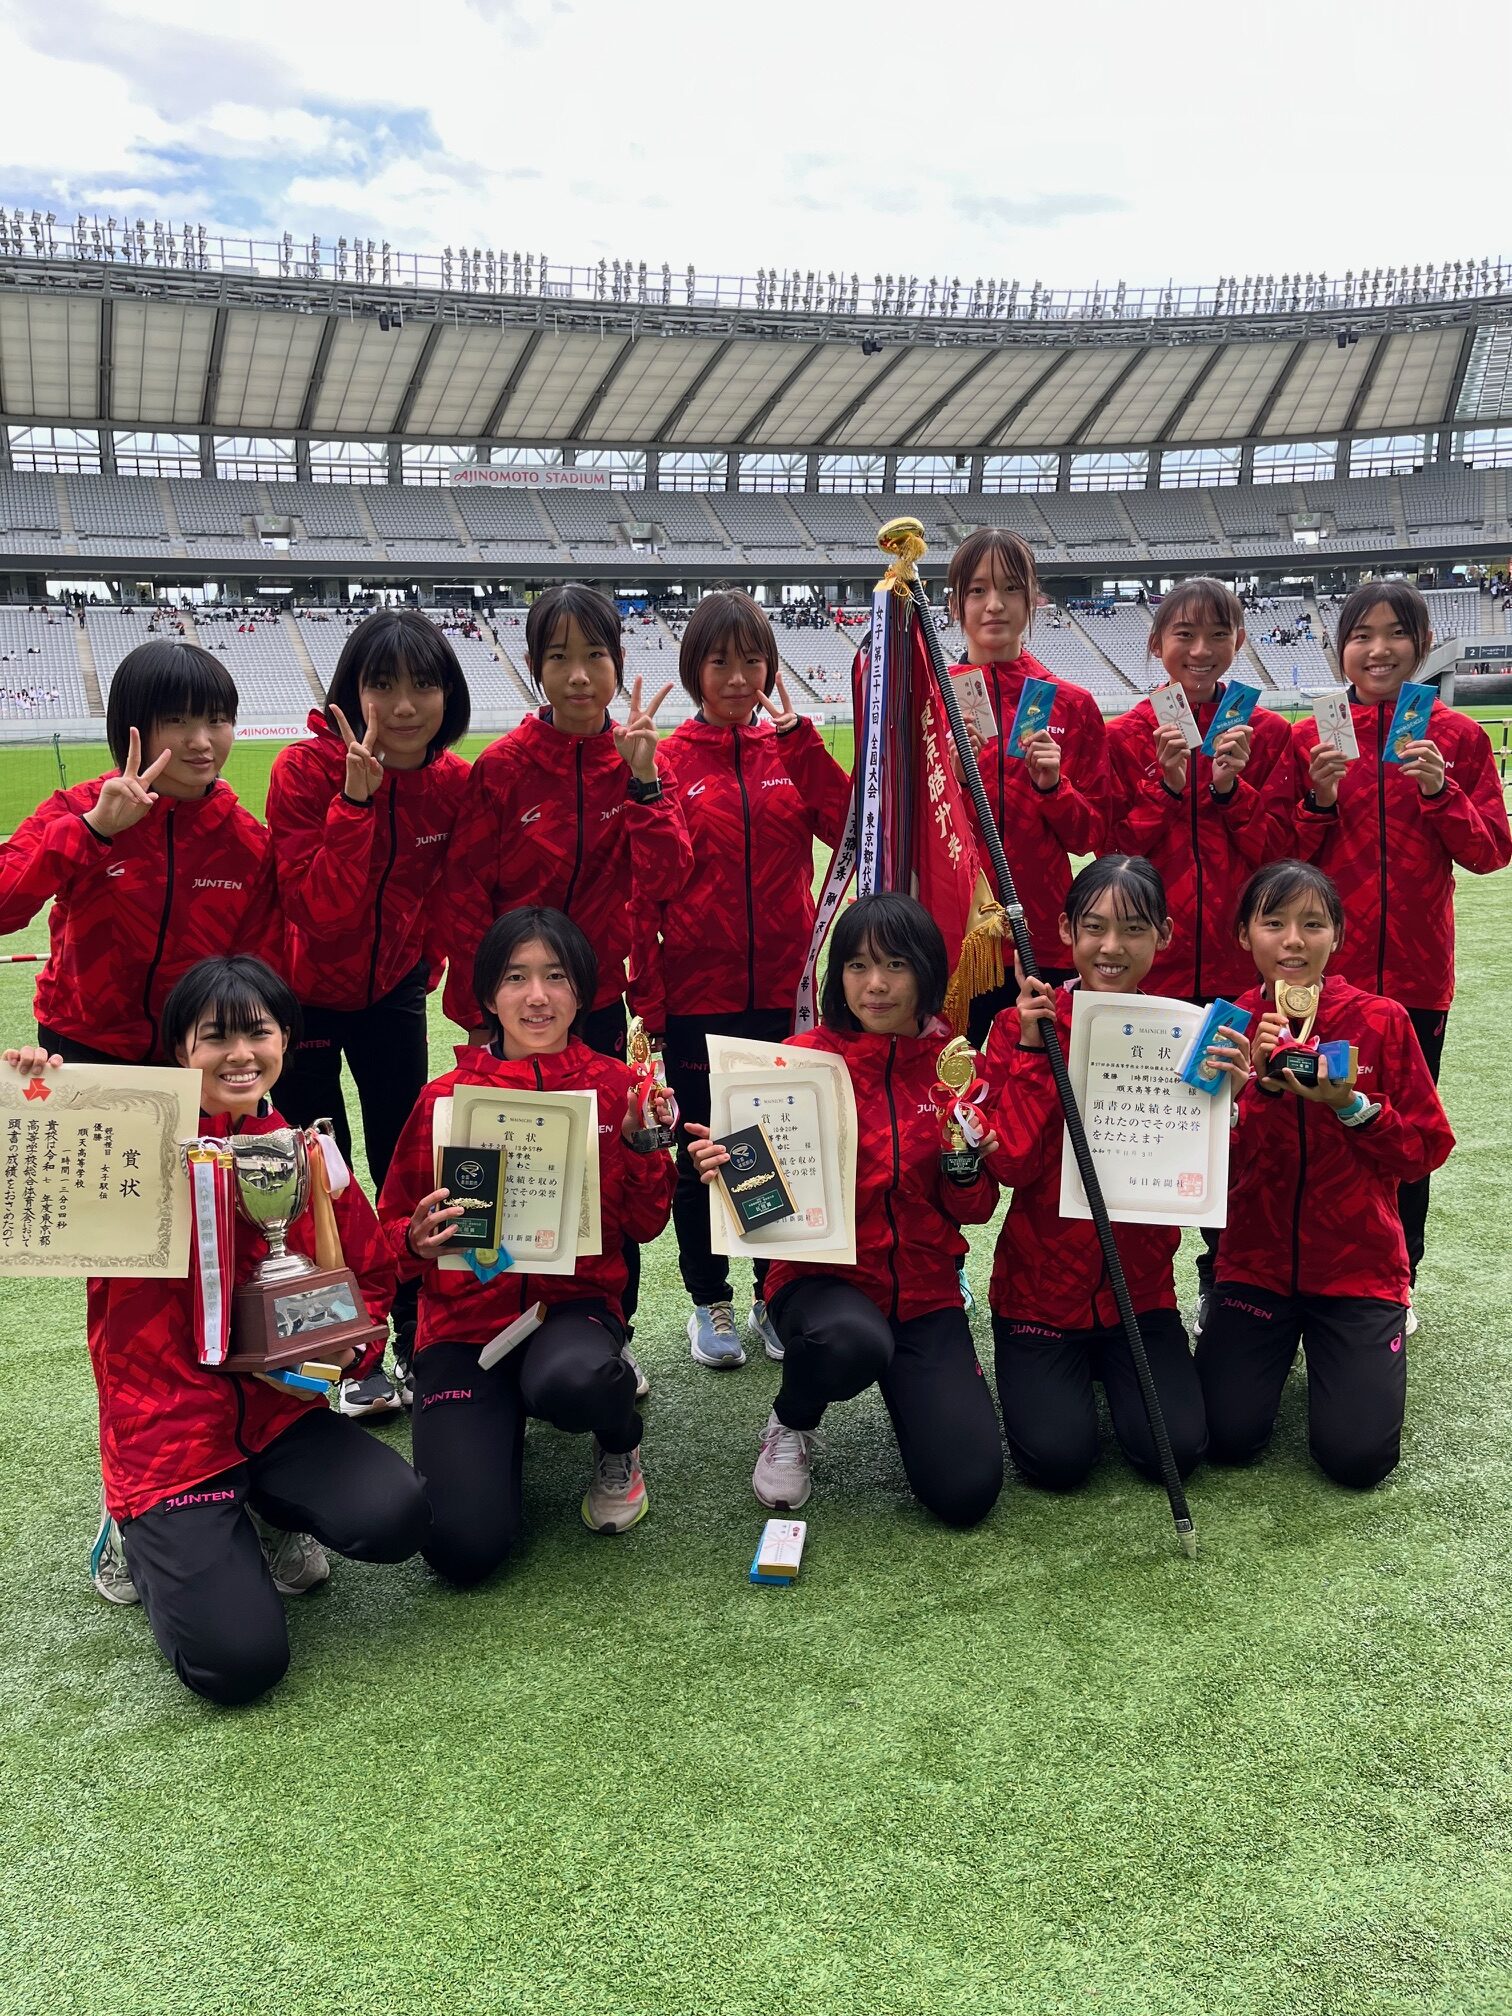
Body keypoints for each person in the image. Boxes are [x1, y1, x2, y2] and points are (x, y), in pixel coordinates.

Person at [4, 956, 428, 1705]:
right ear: (179, 1051)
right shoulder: (126, 1144)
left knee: (397, 1516)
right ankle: (132, 1529)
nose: (239, 1054)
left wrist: (343, 1352)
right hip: (168, 1433)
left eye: (257, 1033)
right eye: (215, 1037)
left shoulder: (307, 1152)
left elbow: (370, 1275)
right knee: (240, 1666)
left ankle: (266, 1517)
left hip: (280, 1415)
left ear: (287, 1041)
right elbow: (35, 1191)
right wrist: (39, 1099)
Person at [378, 907, 675, 1585]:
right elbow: (387, 1232)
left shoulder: (617, 1088)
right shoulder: (446, 1099)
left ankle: (618, 1441)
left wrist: (639, 1145)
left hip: (569, 1314)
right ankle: (490, 1427)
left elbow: (649, 1223)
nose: (537, 996)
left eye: (556, 977)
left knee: (576, 1380)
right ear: (487, 994)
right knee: (463, 1551)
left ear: (584, 992)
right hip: (462, 1330)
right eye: (516, 978)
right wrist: (414, 1241)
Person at [687, 893, 1004, 1527]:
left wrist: (966, 1166)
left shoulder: (954, 1068)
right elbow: (759, 1206)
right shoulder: (794, 1064)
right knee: (851, 1341)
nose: (876, 985)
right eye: (858, 966)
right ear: (838, 977)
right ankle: (792, 1420)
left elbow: (973, 1209)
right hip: (822, 1287)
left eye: (895, 965)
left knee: (967, 1491)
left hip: (924, 1295)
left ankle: (917, 1397)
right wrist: (720, 1171)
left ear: (927, 973)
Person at [633, 590, 850, 1371]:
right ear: (695, 667)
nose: (736, 676)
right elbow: (647, 889)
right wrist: (653, 1003)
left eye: (750, 659)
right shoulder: (672, 760)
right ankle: (708, 1301)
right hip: (698, 998)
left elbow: (850, 830)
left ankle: (772, 1293)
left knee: (776, 1149)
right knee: (704, 1155)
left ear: (769, 664)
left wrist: (805, 751)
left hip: (786, 994)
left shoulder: (785, 751)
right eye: (719, 660)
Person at [265, 611, 472, 1422]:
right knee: (324, 1174)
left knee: (404, 1163)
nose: (404, 704)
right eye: (381, 684)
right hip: (305, 993)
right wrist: (355, 801)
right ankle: (345, 1352)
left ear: (448, 693)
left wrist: (435, 971)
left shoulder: (453, 784)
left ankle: (417, 1332)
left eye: (422, 683)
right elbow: (317, 910)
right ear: (351, 690)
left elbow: (457, 894)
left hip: (393, 995)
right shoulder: (302, 771)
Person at [1195, 861, 1454, 1487]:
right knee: (1223, 1438)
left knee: (1357, 1460)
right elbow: (1198, 1171)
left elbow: (1425, 1149)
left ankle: (1362, 1342)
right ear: (1243, 935)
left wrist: (1353, 1108)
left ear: (1336, 935)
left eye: (1313, 924)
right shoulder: (1221, 1030)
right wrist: (1247, 1094)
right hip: (1254, 1268)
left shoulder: (1382, 1020)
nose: (1293, 941)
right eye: (1274, 923)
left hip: (1357, 1270)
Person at [1294, 580, 1509, 1312]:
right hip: (1326, 978)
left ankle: (1398, 1279)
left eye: (1395, 633)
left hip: (1418, 978)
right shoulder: (1310, 736)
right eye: (1361, 634)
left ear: (1420, 644)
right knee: (1316, 1118)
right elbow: (1281, 858)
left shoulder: (1458, 738)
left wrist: (1441, 793)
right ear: (1341, 647)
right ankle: (1311, 1272)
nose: (1378, 649)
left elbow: (1490, 854)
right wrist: (1316, 801)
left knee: (1404, 1130)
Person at [981, 856, 1211, 1491]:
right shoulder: (1020, 1023)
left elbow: (1208, 1177)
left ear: (1163, 935)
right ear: (1065, 929)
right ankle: (1055, 1371)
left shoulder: (1186, 1035)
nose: (1112, 948)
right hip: (1038, 1293)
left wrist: (1231, 1110)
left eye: (1134, 929)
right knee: (1057, 1462)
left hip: (1139, 1292)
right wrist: (1032, 1053)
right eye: (1095, 927)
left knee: (1176, 1450)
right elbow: (1010, 1164)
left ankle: (1115, 1372)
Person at [441, 583, 691, 1060]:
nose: (579, 676)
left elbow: (669, 879)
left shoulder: (642, 764)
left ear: (616, 660)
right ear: (535, 666)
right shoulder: (501, 768)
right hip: (518, 1000)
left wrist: (644, 782)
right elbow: (464, 896)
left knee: (603, 1129)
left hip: (597, 998)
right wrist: (478, 1012)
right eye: (558, 658)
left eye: (594, 655)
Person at [0, 640, 279, 1065]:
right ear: (132, 724)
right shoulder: (78, 809)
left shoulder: (247, 841)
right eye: (175, 720)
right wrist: (93, 830)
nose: (201, 741)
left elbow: (255, 966)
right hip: (79, 1044)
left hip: (192, 1051)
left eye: (217, 720)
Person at [945, 528, 1110, 1049]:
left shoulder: (1070, 704)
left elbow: (1091, 835)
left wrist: (1052, 786)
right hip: (951, 939)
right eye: (977, 591)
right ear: (954, 604)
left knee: (1040, 1091)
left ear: (1032, 598)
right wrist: (945, 776)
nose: (994, 605)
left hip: (1039, 938)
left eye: (1010, 589)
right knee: (953, 1096)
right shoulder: (927, 697)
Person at [1108, 578, 1294, 1002]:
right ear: (1156, 643)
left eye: (1218, 635)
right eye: (1185, 635)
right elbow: (1111, 851)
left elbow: (1279, 854)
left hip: (1243, 958)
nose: (1201, 651)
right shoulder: (1124, 735)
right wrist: (1166, 789)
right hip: (1147, 956)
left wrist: (1230, 791)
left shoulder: (1268, 733)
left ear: (1240, 640)